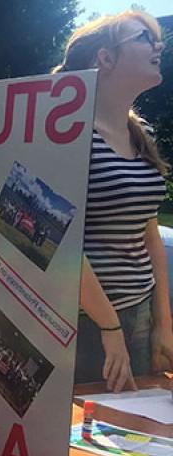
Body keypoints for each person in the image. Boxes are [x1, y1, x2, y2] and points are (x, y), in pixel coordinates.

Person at [55, 11, 169, 391]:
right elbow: (57, 238)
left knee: (133, 437)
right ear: (105, 58)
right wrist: (108, 325)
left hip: (135, 318)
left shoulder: (142, 134)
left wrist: (163, 324)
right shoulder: (65, 134)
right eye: (143, 38)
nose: (159, 45)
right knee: (83, 438)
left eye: (158, 39)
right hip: (83, 324)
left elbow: (149, 232)